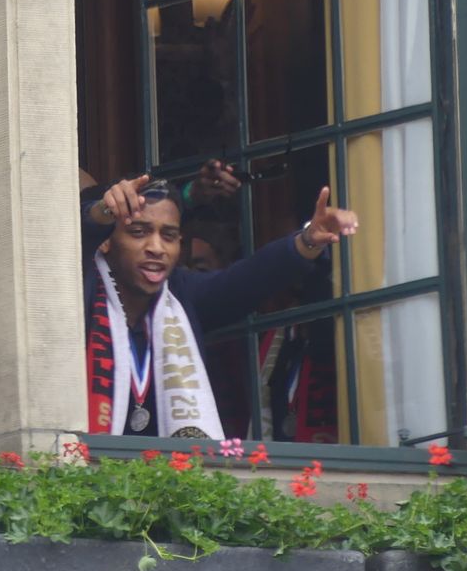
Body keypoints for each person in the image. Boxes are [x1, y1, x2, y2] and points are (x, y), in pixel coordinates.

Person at [81, 176, 357, 439]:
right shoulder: (81, 288)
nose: (156, 247)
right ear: (107, 240)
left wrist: (307, 240)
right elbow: (68, 245)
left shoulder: (180, 294)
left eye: (169, 235)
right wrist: (100, 213)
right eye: (139, 232)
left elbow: (246, 280)